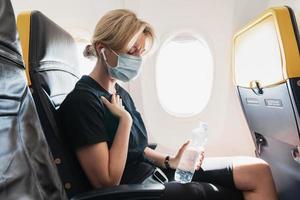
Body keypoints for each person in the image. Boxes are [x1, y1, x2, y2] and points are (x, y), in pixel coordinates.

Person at [59, 9, 278, 200]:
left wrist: (170, 160)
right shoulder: (82, 103)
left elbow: (137, 149)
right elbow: (106, 183)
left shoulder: (119, 93)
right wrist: (125, 122)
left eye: (141, 53)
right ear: (102, 49)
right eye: (131, 51)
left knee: (257, 170)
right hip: (136, 190)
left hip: (154, 175)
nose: (137, 60)